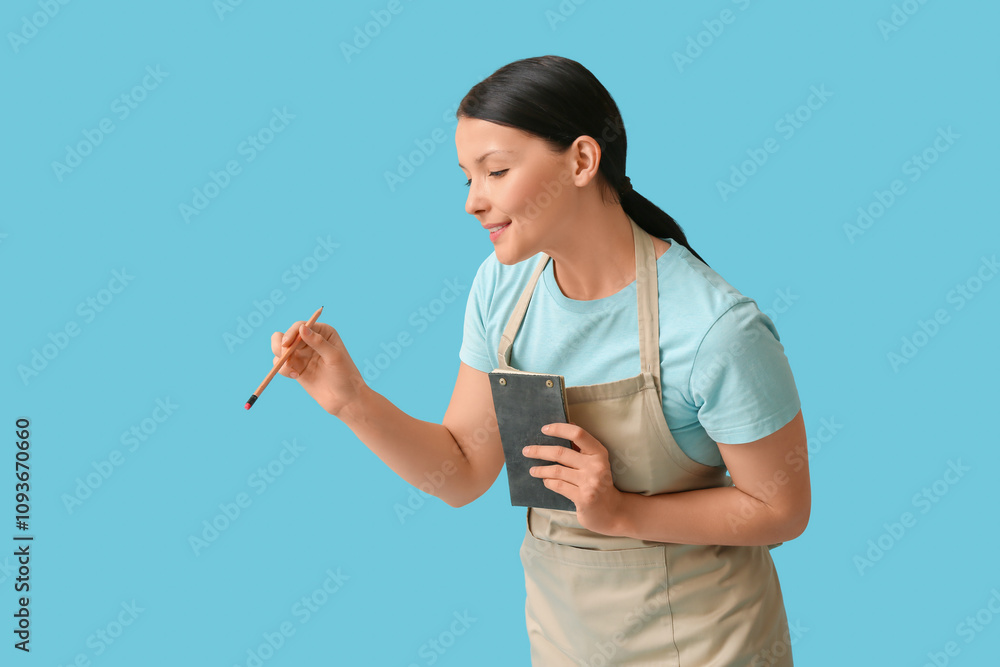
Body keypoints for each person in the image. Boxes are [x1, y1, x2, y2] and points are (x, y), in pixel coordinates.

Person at [270, 55, 810, 665]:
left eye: (496, 171)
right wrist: (351, 401)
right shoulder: (501, 290)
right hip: (565, 639)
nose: (473, 202)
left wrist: (621, 512)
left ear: (581, 161)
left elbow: (781, 510)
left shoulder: (715, 329)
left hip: (710, 643)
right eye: (467, 178)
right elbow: (462, 471)